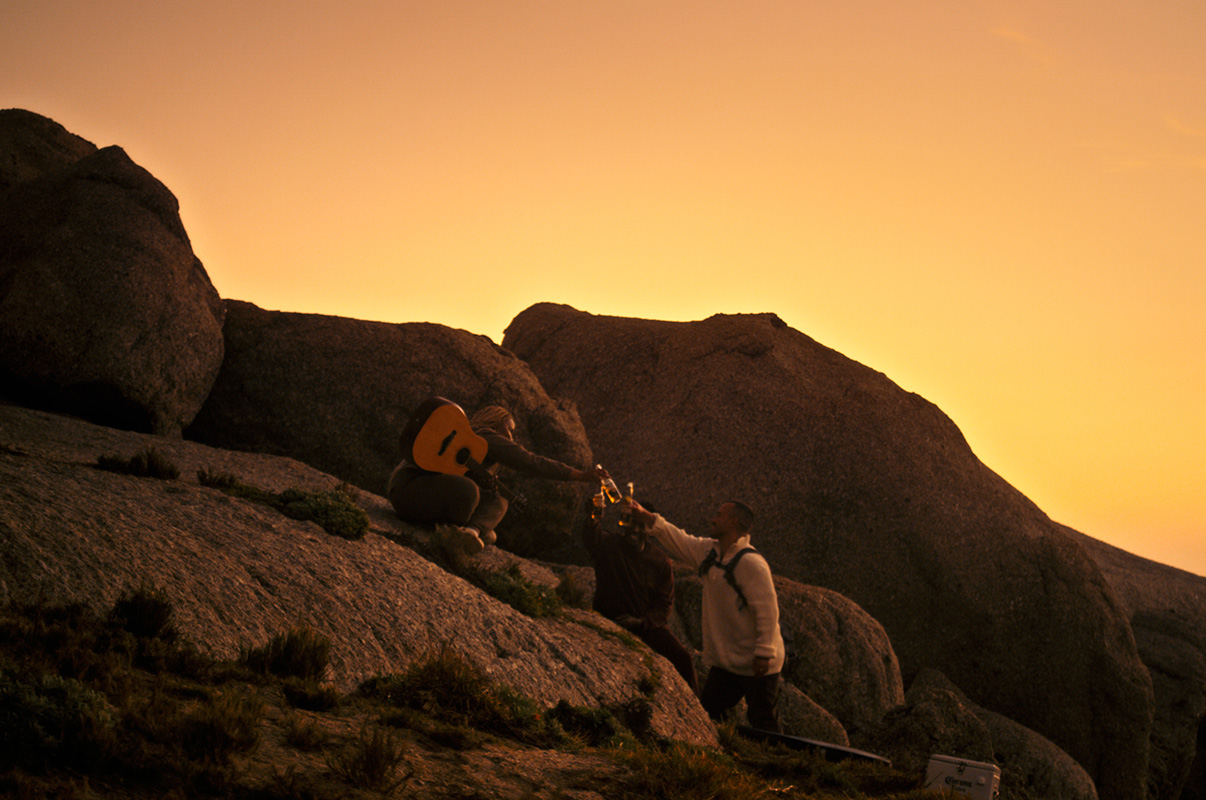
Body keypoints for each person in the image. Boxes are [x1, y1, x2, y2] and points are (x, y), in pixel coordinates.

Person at [627, 499, 785, 732]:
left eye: (719, 514)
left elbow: (768, 611)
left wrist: (764, 653)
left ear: (733, 522)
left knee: (764, 720)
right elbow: (679, 540)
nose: (712, 519)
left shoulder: (752, 564)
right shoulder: (710, 553)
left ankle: (779, 765)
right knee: (708, 712)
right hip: (728, 662)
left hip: (757, 662)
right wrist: (647, 516)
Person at [388, 404, 604, 553]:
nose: (511, 437)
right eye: (508, 429)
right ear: (495, 423)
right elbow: (531, 462)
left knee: (499, 499)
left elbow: (449, 475)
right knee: (469, 491)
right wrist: (582, 475)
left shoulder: (464, 438)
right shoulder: (485, 436)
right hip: (411, 489)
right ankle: (472, 531)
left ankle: (471, 532)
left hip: (410, 496)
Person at [584, 495, 699, 694]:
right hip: (609, 619)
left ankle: (700, 713)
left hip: (645, 626)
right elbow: (591, 534)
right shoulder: (608, 545)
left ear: (650, 530)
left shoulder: (660, 561)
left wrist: (641, 623)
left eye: (641, 525)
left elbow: (664, 605)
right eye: (630, 523)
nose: (635, 530)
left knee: (683, 659)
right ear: (623, 522)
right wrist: (592, 515)